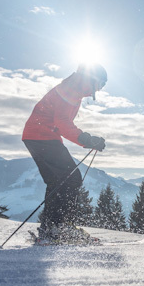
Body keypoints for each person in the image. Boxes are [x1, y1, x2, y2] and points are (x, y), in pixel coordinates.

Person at [22, 63, 107, 243]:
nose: (100, 89)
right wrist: (87, 139)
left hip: (36, 135)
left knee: (56, 181)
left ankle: (51, 229)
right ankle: (61, 228)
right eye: (101, 84)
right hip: (42, 135)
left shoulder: (73, 88)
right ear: (93, 79)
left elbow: (61, 123)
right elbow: (62, 122)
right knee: (72, 178)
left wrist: (86, 140)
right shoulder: (71, 90)